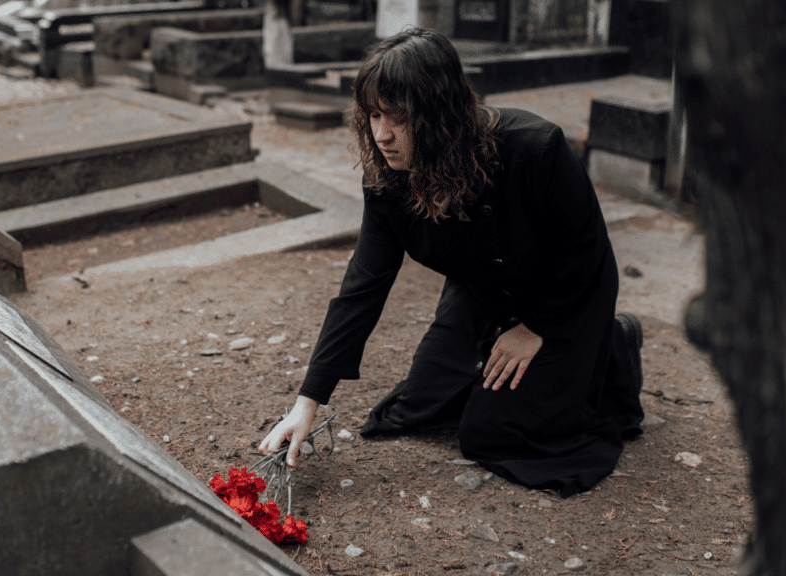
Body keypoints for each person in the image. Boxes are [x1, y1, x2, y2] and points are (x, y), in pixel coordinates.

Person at [259, 27, 645, 497]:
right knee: (417, 407)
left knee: (491, 433)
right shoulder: (386, 180)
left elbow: (588, 253)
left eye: (398, 118)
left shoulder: (535, 148)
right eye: (374, 115)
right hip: (481, 291)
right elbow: (363, 284)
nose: (381, 135)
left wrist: (536, 328)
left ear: (439, 115)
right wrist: (307, 402)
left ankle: (614, 346)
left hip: (564, 297)